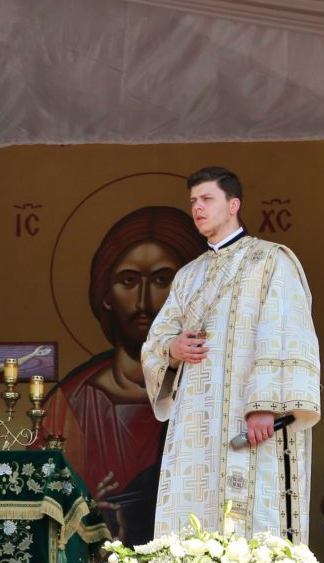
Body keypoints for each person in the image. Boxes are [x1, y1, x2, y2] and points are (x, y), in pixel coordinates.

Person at [140, 167, 321, 540]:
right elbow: (157, 339)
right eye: (193, 201)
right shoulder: (188, 275)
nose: (197, 208)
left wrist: (265, 405)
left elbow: (286, 333)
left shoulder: (272, 260)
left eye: (207, 199)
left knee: (252, 518)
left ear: (233, 204)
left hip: (249, 416)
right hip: (197, 420)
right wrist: (171, 349)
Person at [40, 206, 205, 545]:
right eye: (128, 281)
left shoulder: (207, 392)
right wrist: (86, 514)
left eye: (163, 280)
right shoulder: (70, 404)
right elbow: (41, 502)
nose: (143, 302)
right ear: (105, 296)